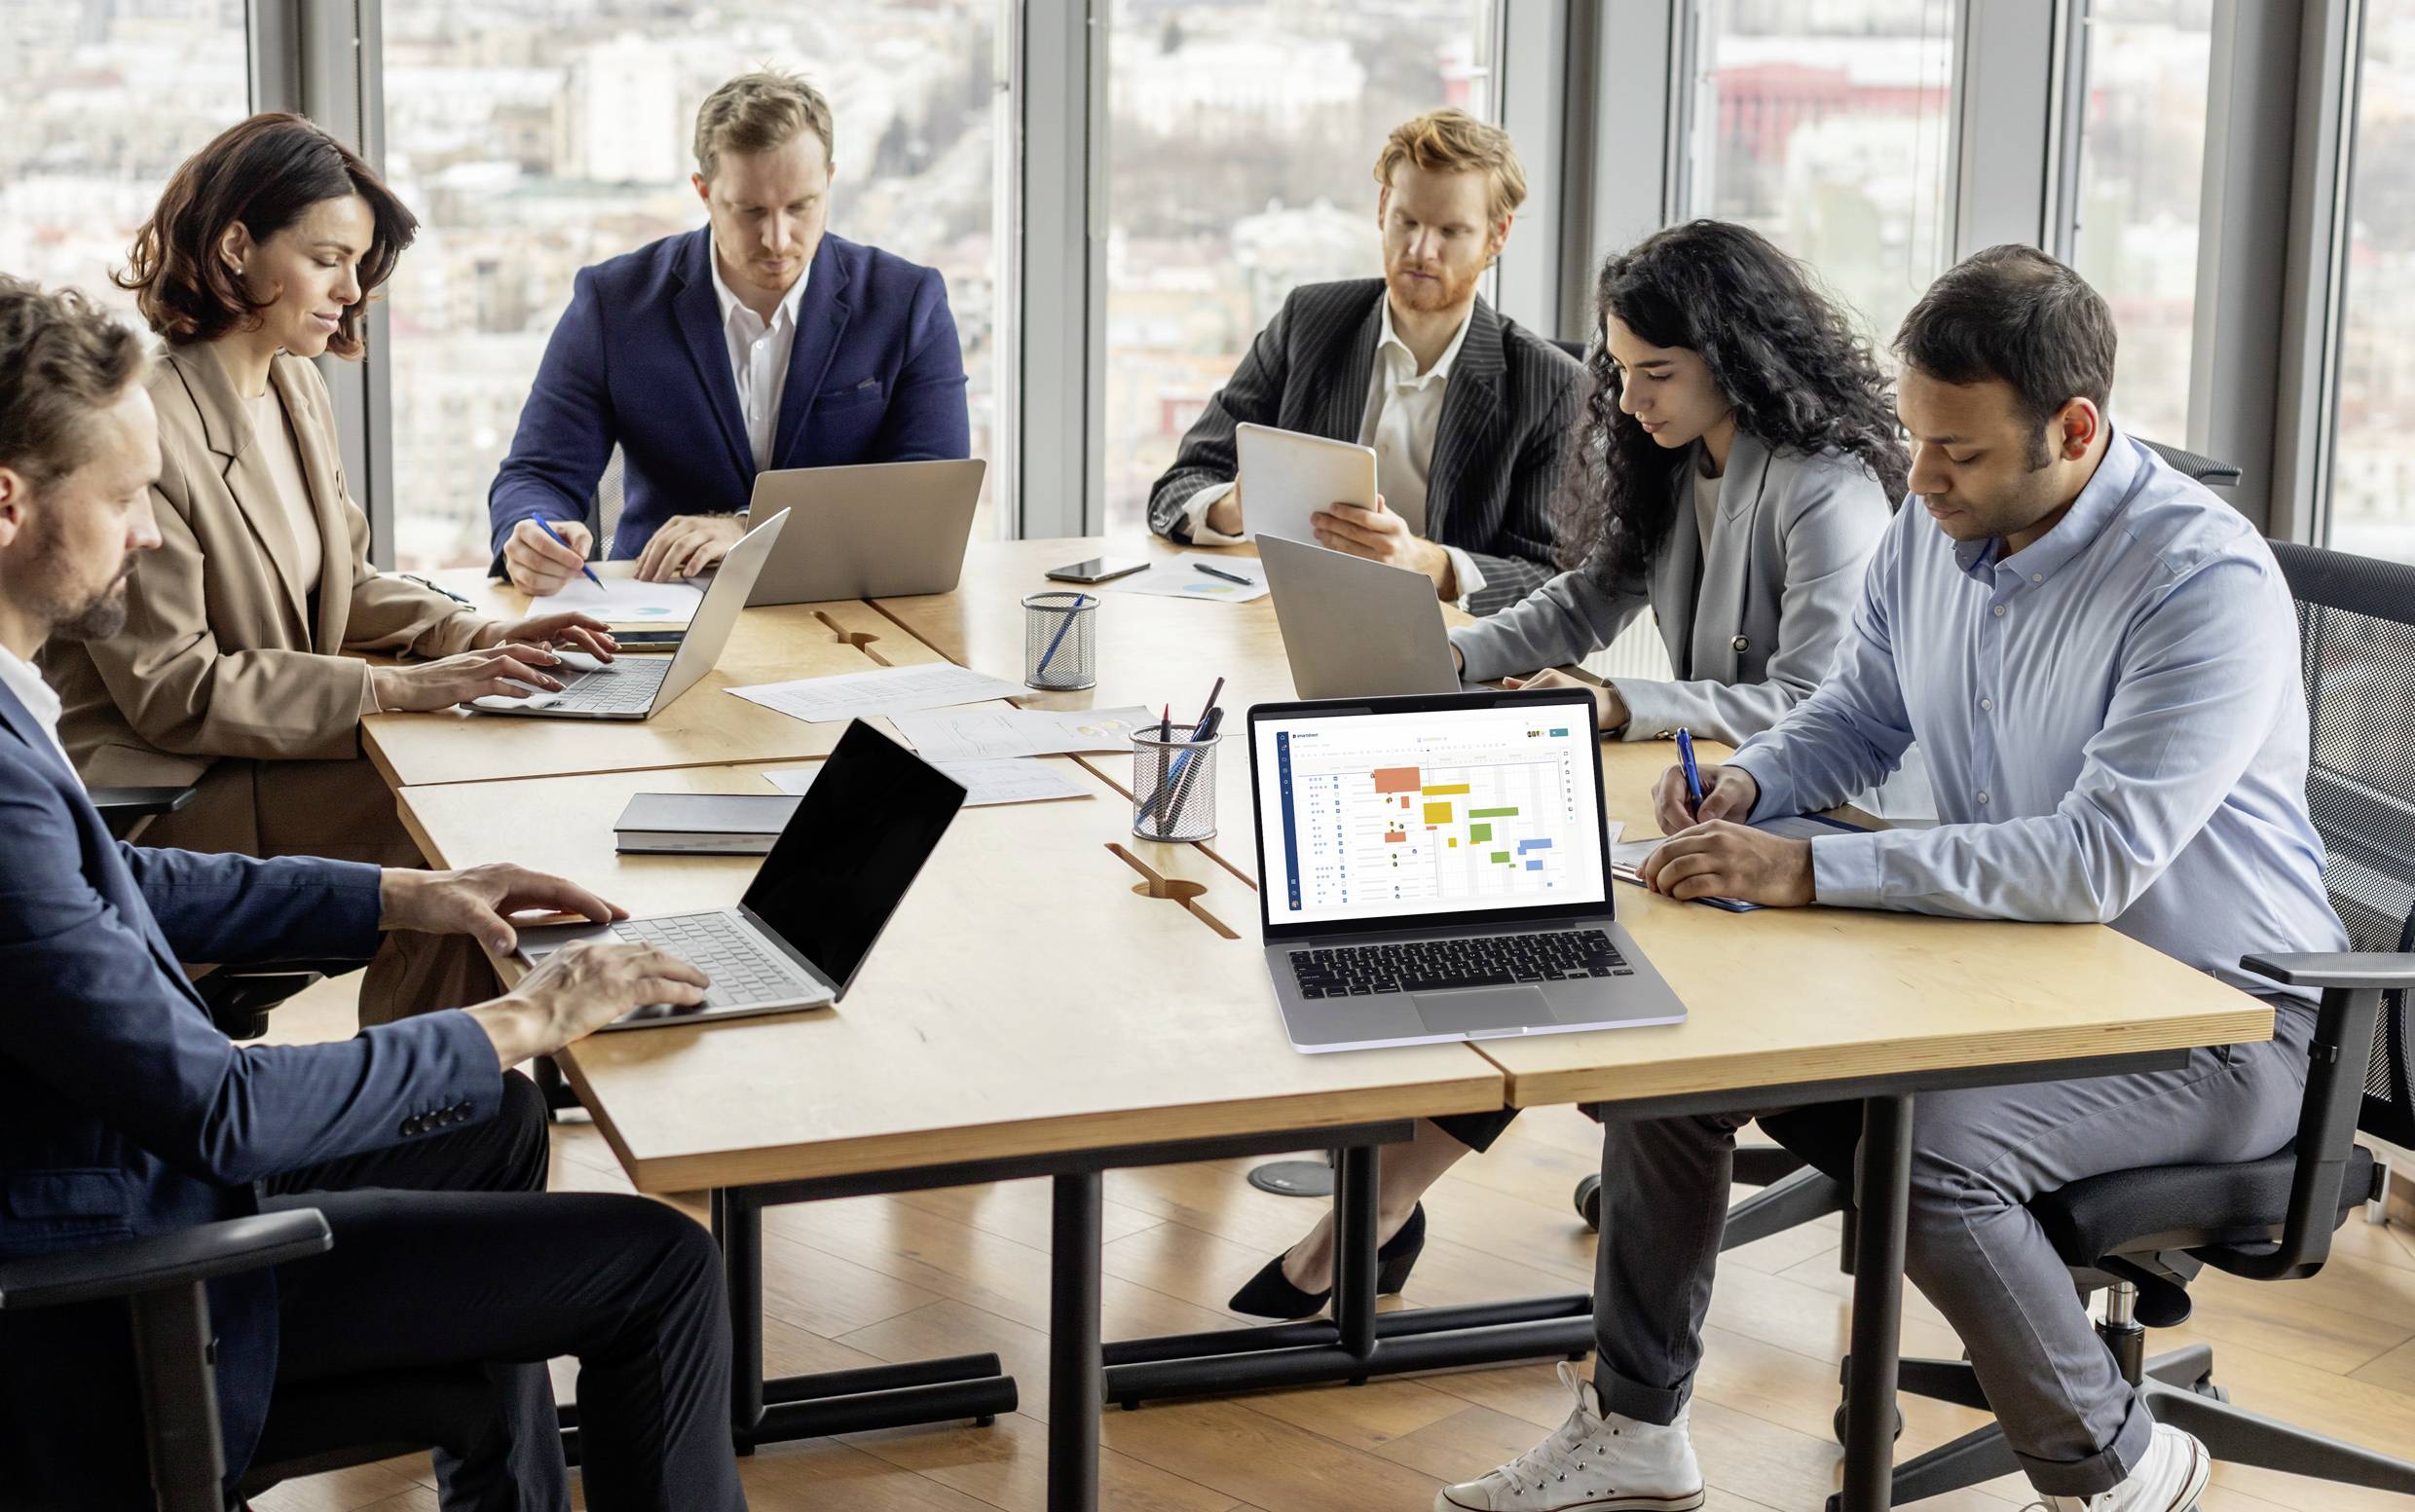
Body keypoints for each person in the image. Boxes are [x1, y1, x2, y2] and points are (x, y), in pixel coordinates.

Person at [1439, 247, 2350, 1512]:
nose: (1918, 481)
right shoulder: (1940, 524)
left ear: (2075, 429)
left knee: (1929, 1156)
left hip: (2221, 1020)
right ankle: (1636, 1425)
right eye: (1917, 439)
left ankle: (2125, 1468)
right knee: (1674, 1047)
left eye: (1958, 454)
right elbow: (1857, 714)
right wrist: (1754, 781)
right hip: (2016, 973)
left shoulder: (2202, 583)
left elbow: (2092, 859)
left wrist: (1810, 865)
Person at [0, 276, 744, 1510]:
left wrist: (409, 894)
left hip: (122, 1182)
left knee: (493, 1122)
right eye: (128, 498)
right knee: (658, 1261)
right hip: (127, 1292)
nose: (145, 531)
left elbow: (115, 880)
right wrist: (531, 1017)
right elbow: (225, 1110)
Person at [1229, 219, 1913, 1321]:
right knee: (1483, 899)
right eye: (1620, 369)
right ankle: (1378, 1205)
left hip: (1826, 831)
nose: (1631, 398)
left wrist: (1615, 700)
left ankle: (1373, 1212)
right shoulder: (1676, 452)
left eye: (1658, 374)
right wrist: (1444, 653)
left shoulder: (1824, 486)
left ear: (1734, 361)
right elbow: (1580, 602)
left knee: (1541, 920)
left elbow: (1812, 701)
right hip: (1709, 799)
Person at [40, 112, 611, 1025]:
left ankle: (448, 1106)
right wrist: (402, 692)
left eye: (360, 263)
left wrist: (481, 635)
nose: (352, 288)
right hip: (176, 789)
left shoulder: (292, 382)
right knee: (445, 831)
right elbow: (174, 689)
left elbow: (345, 579)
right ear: (236, 248)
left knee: (476, 771)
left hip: (265, 753)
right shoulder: (152, 418)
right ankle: (424, 1111)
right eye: (328, 257)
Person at [489, 69, 970, 592]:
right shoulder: (614, 303)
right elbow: (537, 473)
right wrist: (532, 533)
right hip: (657, 604)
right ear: (704, 192)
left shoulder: (907, 301)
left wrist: (746, 529)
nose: (778, 238)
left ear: (829, 182)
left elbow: (929, 500)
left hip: (848, 603)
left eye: (800, 207)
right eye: (750, 211)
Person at [1145, 108, 1580, 615]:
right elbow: (1178, 488)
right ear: (1381, 209)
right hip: (1286, 625)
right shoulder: (1308, 322)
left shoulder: (1552, 386)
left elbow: (1555, 581)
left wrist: (1429, 564)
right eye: (1407, 221)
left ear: (1497, 236)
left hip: (1449, 657)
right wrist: (1233, 508)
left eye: (1451, 231)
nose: (1421, 249)